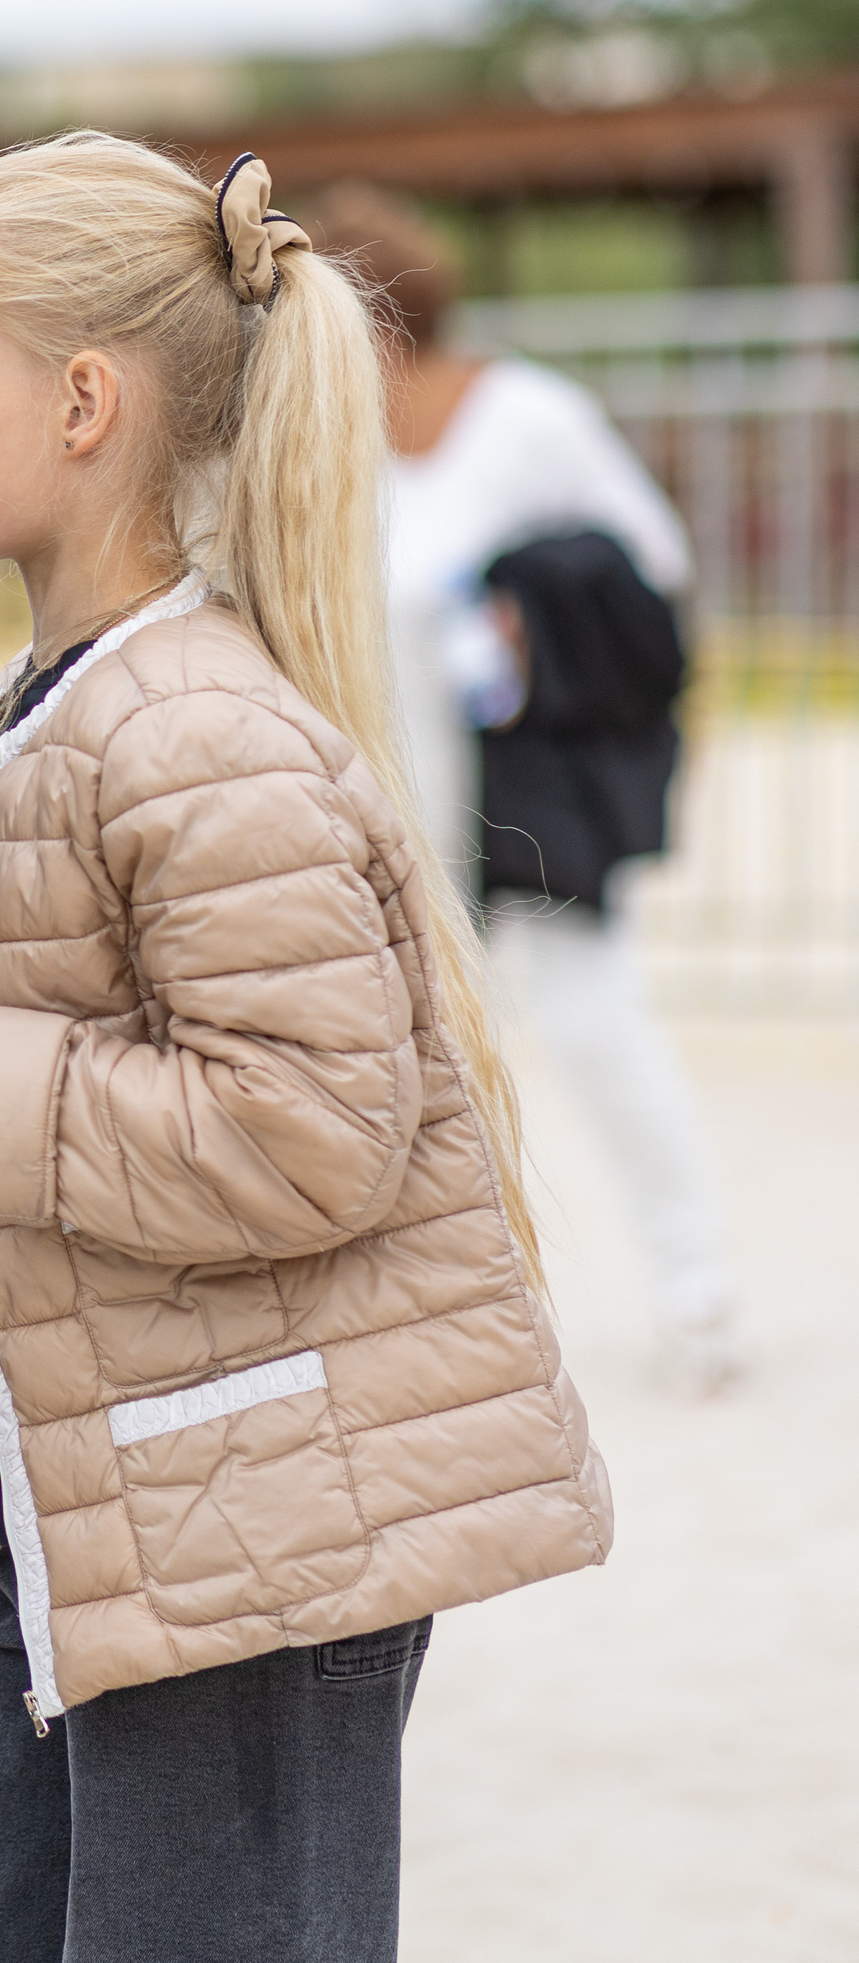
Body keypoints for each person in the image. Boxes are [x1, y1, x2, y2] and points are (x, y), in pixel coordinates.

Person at [0, 135, 612, 1962]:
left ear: (84, 398)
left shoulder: (191, 727)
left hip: (245, 1547)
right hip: (104, 1526)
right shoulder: (66, 705)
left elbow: (306, 1129)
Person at [310, 184, 739, 1393]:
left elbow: (647, 575)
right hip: (402, 815)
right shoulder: (333, 448)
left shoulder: (532, 419)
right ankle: (451, 1321)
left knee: (597, 1026)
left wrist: (522, 611)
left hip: (533, 801)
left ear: (378, 329)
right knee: (418, 1062)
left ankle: (695, 1287)